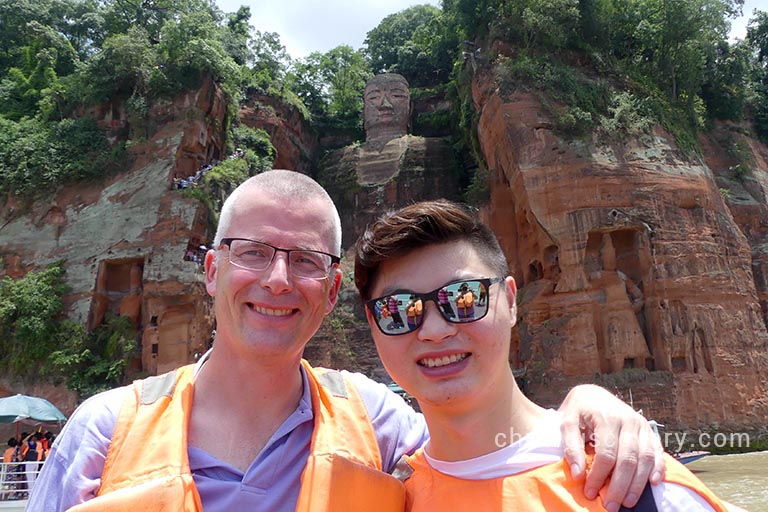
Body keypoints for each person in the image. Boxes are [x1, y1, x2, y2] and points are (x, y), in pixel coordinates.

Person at [30, 170, 662, 511]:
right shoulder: (103, 433)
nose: (278, 281)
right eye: (253, 253)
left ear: (331, 293)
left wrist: (589, 405)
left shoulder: (381, 423)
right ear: (212, 271)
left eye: (306, 261)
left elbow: (492, 448)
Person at [354, 199, 730, 512]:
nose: (435, 330)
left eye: (464, 298)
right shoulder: (386, 495)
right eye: (399, 310)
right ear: (374, 324)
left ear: (511, 300)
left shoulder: (636, 487)